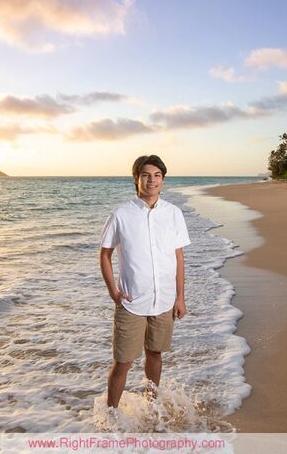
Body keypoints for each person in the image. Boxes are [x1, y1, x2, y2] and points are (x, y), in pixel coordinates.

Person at [99, 154, 191, 408]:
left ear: (163, 180)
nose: (152, 180)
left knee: (155, 354)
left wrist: (180, 297)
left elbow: (178, 256)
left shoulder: (173, 213)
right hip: (131, 301)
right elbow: (105, 253)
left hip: (164, 299)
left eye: (157, 175)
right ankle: (111, 415)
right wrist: (113, 291)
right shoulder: (121, 214)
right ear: (136, 179)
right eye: (146, 175)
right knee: (123, 362)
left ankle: (152, 407)